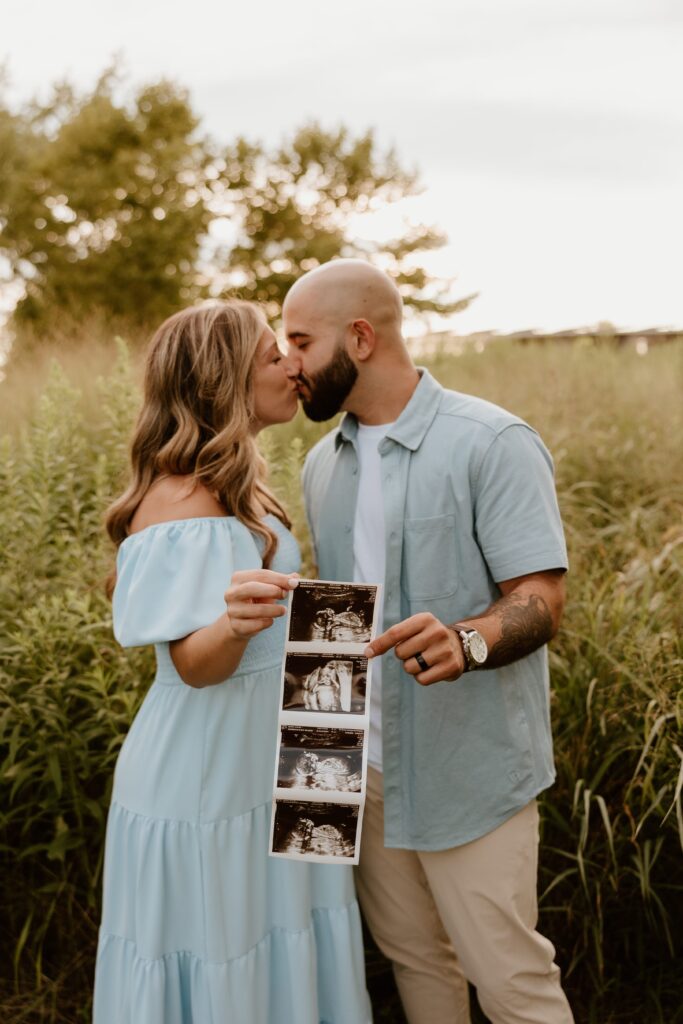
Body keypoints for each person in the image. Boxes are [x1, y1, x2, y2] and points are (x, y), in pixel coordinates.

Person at [283, 260, 575, 1024]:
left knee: (510, 981)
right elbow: (336, 624)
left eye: (300, 342)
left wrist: (467, 641)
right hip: (363, 771)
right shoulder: (321, 463)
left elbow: (541, 598)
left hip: (468, 772)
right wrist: (322, 775)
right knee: (416, 966)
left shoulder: (492, 441)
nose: (289, 363)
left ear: (360, 337)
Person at [93, 301, 371, 1024]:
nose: (291, 366)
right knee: (229, 956)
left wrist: (325, 759)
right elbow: (195, 665)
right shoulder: (185, 499)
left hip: (275, 760)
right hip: (209, 777)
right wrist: (235, 625)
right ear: (225, 381)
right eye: (272, 355)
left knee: (284, 940)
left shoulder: (240, 489)